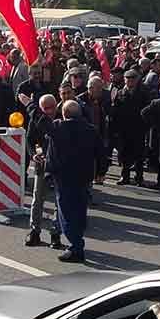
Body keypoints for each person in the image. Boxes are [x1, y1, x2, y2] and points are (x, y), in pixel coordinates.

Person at [46, 99, 105, 263]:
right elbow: (101, 153)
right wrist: (101, 172)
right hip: (84, 177)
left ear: (64, 114)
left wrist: (30, 104)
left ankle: (76, 247)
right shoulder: (91, 130)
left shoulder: (59, 127)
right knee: (80, 211)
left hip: (64, 178)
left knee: (66, 213)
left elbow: (41, 122)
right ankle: (78, 242)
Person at [25, 94, 63, 249]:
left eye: (51, 107)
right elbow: (29, 140)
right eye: (45, 109)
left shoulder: (62, 118)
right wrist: (33, 154)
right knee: (38, 198)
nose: (48, 111)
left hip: (59, 166)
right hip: (42, 164)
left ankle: (56, 234)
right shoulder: (36, 120)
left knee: (58, 202)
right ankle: (34, 231)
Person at [111, 69, 150, 187]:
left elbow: (147, 111)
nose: (130, 81)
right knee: (124, 154)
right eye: (127, 79)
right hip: (124, 129)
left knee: (139, 154)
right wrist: (115, 129)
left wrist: (145, 126)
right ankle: (125, 176)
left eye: (132, 79)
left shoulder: (143, 93)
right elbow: (116, 112)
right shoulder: (120, 93)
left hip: (138, 128)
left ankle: (139, 177)